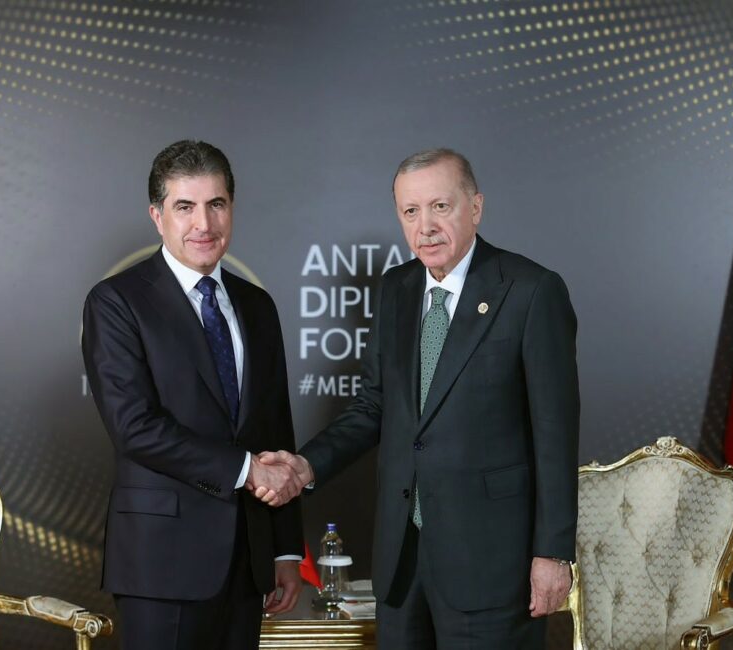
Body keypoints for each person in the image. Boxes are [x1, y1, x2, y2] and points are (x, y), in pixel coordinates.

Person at [258, 148, 579, 648]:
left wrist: (553, 553)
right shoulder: (397, 289)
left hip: (492, 566)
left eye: (440, 207)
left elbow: (556, 434)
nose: (425, 226)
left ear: (476, 207)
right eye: (411, 211)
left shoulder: (531, 291)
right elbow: (373, 407)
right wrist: (305, 466)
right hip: (402, 563)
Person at [82, 140, 305, 650]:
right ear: (157, 216)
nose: (203, 223)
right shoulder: (117, 302)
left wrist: (286, 549)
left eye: (216, 204)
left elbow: (275, 428)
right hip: (161, 564)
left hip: (248, 562)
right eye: (185, 206)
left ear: (232, 208)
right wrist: (248, 471)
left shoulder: (257, 305)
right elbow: (135, 428)